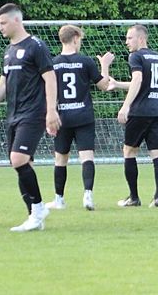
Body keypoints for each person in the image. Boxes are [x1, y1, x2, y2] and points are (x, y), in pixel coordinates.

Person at [0, 4, 60, 232]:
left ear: (16, 20)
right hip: (13, 114)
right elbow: (3, 83)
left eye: (3, 23)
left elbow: (50, 78)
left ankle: (38, 209)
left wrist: (51, 110)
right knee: (21, 165)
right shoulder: (9, 51)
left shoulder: (36, 46)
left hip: (33, 113)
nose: (0, 27)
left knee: (18, 159)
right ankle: (34, 217)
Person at [45, 25, 114, 211]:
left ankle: (59, 199)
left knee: (60, 159)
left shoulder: (53, 63)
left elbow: (49, 92)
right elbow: (104, 85)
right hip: (84, 116)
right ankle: (88, 195)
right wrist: (105, 65)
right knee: (87, 157)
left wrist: (48, 116)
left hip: (62, 117)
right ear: (75, 38)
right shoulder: (85, 61)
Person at [108, 25, 158, 208]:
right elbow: (143, 83)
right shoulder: (155, 56)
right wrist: (118, 84)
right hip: (157, 110)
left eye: (130, 38)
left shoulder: (135, 56)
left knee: (129, 151)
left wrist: (125, 106)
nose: (126, 42)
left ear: (141, 39)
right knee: (156, 153)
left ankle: (134, 198)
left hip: (140, 111)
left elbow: (138, 80)